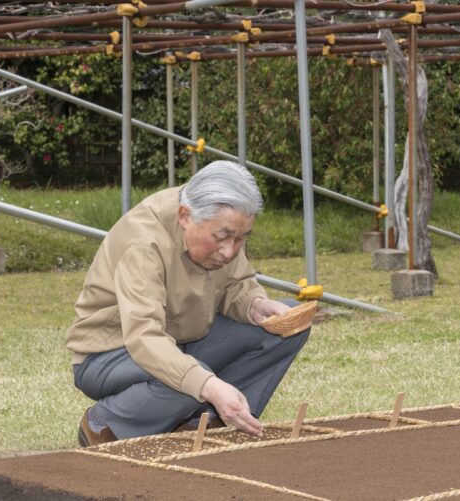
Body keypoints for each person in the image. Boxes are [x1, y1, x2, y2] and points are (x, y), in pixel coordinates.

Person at [66, 160, 311, 446]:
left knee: (285, 330)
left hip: (184, 341)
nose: (230, 251)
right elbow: (144, 337)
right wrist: (207, 384)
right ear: (185, 216)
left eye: (242, 239)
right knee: (192, 381)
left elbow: (236, 285)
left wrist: (255, 306)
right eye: (223, 237)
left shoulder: (215, 220)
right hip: (109, 356)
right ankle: (105, 422)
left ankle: (206, 422)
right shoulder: (143, 244)